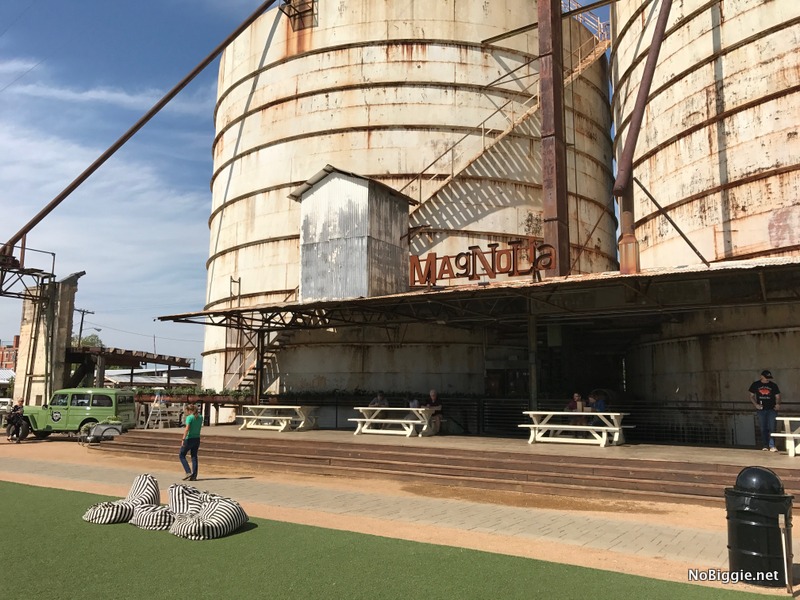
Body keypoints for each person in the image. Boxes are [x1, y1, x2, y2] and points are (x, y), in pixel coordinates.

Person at [749, 369, 781, 452]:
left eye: (769, 378)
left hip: (771, 409)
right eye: (766, 377)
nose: (767, 379)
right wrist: (756, 405)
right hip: (761, 409)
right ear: (761, 376)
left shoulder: (773, 385)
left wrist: (777, 404)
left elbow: (778, 396)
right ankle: (765, 445)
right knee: (763, 428)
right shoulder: (756, 384)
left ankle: (772, 445)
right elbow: (751, 396)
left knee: (772, 427)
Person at [179, 403, 202, 480]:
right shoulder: (200, 417)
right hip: (197, 438)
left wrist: (183, 439)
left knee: (182, 455)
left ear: (189, 411)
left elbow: (187, 428)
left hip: (189, 438)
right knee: (194, 456)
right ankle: (194, 475)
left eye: (186, 411)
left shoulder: (189, 418)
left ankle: (188, 472)